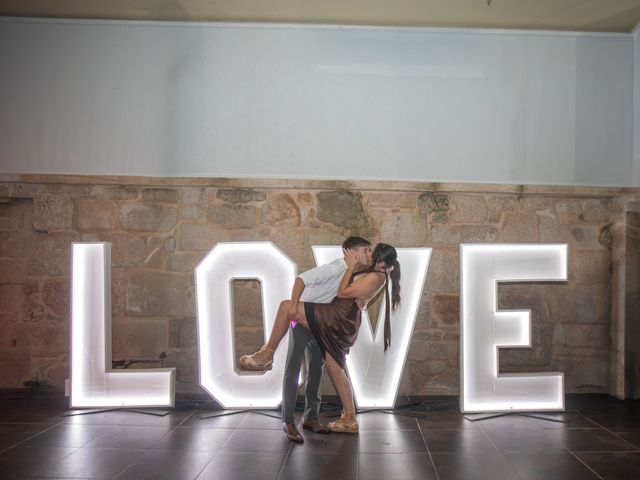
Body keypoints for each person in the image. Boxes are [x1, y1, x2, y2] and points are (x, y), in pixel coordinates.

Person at [240, 243, 401, 434]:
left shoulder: (373, 274)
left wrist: (351, 272)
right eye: (367, 250)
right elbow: (354, 294)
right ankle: (347, 418)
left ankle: (266, 354)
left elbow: (343, 293)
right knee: (334, 369)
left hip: (334, 317)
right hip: (330, 319)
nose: (369, 254)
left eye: (372, 252)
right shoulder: (359, 270)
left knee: (285, 307)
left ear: (381, 262)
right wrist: (362, 297)